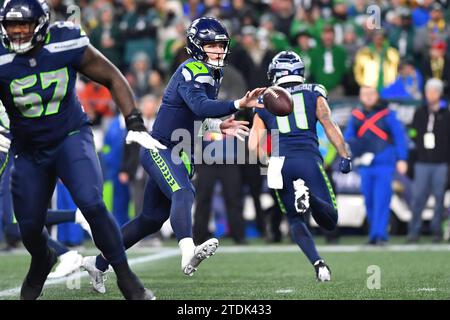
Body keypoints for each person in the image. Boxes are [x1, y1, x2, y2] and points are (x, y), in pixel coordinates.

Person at [82, 16, 265, 293]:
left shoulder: (210, 73)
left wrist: (219, 124)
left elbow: (193, 114)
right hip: (161, 148)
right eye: (212, 45)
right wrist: (238, 103)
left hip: (178, 151)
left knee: (150, 220)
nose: (218, 50)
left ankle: (97, 263)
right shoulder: (191, 69)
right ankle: (188, 250)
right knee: (184, 192)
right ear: (196, 46)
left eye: (220, 45)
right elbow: (201, 106)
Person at [0, 0, 156, 300]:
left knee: (92, 202)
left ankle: (126, 277)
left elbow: (112, 76)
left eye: (24, 25)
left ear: (42, 24)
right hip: (29, 148)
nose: (17, 32)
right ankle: (43, 258)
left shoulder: (64, 42)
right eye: (11, 26)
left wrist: (134, 119)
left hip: (69, 136)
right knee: (29, 227)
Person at [249, 51, 352, 281]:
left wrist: (268, 165)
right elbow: (328, 123)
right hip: (307, 159)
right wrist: (344, 154)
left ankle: (318, 264)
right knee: (329, 220)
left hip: (279, 162)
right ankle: (310, 198)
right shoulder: (313, 91)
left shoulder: (264, 99)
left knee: (295, 220)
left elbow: (253, 144)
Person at [344, 86, 408, 245]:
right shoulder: (356, 116)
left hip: (383, 164)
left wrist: (402, 158)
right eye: (364, 94)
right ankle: (374, 235)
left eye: (371, 93)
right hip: (365, 166)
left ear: (377, 95)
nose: (368, 97)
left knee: (382, 200)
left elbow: (400, 137)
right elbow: (348, 137)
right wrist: (356, 151)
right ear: (360, 96)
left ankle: (380, 235)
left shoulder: (388, 114)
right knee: (369, 201)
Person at [407, 78, 450, 243]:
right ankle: (414, 231)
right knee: (418, 197)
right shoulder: (420, 112)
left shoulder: (446, 114)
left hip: (440, 163)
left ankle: (437, 231)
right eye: (427, 91)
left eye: (432, 91)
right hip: (422, 162)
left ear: (439, 93)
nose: (429, 95)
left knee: (439, 198)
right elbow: (413, 135)